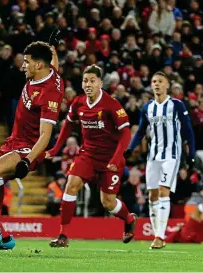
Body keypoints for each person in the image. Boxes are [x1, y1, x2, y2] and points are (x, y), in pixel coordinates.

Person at [0, 37, 65, 252]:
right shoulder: (49, 72)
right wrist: (52, 47)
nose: (22, 66)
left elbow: (45, 136)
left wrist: (28, 161)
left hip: (30, 147)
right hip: (13, 141)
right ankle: (5, 237)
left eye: (27, 62)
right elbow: (54, 63)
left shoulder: (49, 94)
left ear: (38, 65)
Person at [44, 65, 136, 247]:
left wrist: (116, 159)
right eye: (85, 81)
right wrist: (55, 149)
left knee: (108, 202)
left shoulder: (111, 104)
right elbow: (67, 126)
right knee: (70, 186)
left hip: (110, 159)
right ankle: (63, 235)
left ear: (101, 83)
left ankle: (129, 219)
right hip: (87, 155)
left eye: (92, 81)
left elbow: (126, 133)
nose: (88, 84)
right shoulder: (78, 103)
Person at [124, 71, 195, 249]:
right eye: (154, 81)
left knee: (164, 191)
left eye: (160, 81)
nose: (156, 84)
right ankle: (157, 235)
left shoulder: (177, 105)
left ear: (167, 85)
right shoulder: (147, 107)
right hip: (153, 156)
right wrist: (131, 148)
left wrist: (191, 154)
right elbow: (141, 131)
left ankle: (160, 237)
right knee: (152, 195)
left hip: (171, 156)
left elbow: (188, 131)